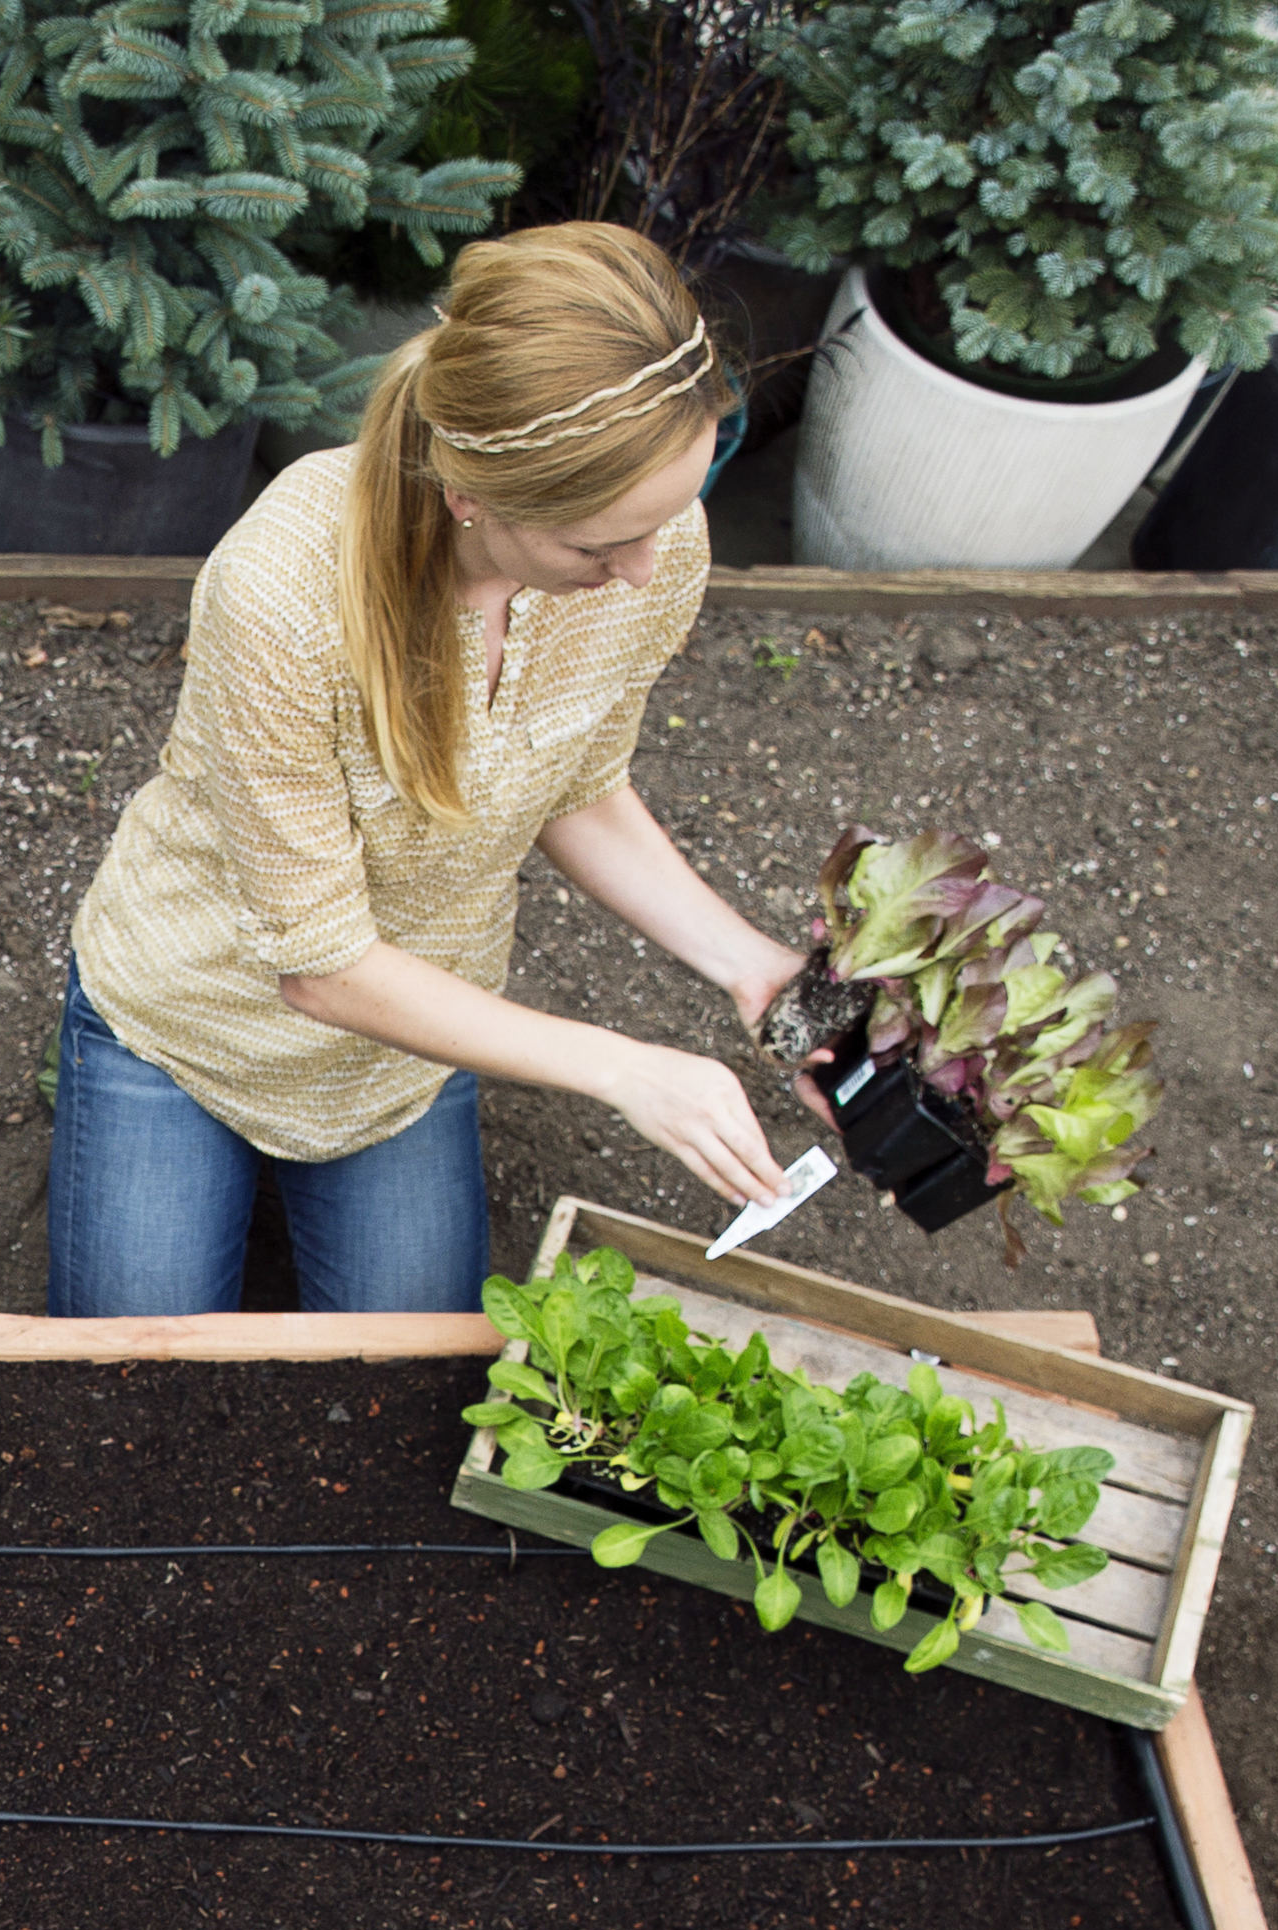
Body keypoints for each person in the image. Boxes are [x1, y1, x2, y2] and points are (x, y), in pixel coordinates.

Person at [51, 222, 816, 1319]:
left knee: (413, 1399)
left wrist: (753, 967)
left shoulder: (655, 544)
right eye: (601, 545)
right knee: (128, 1396)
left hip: (408, 1048)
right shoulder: (280, 596)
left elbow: (581, 786)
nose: (647, 567)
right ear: (474, 494)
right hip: (190, 1018)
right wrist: (624, 1068)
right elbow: (318, 966)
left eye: (666, 518)